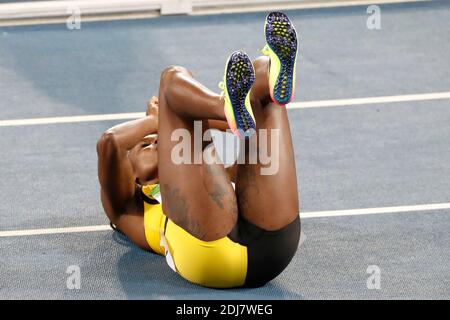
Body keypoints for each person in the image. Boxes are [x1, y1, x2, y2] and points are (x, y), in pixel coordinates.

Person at [97, 12, 300, 288]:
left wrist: (215, 119)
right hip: (210, 255)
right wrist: (159, 119)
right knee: (171, 79)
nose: (157, 141)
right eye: (145, 145)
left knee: (261, 79)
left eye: (157, 137)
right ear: (135, 178)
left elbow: (240, 130)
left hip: (275, 247)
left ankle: (273, 74)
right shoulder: (127, 209)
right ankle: (222, 104)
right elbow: (109, 143)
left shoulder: (203, 170)